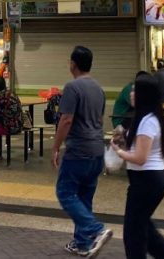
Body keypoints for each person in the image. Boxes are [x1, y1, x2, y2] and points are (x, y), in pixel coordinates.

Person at [112, 74, 164, 259]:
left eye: (135, 91)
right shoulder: (144, 118)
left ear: (144, 95)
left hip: (147, 181)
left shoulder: (147, 121)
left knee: (134, 232)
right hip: (146, 181)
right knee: (141, 225)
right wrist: (124, 139)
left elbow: (140, 158)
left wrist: (119, 153)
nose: (131, 93)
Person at [52, 46, 113, 257]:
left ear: (73, 64)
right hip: (97, 150)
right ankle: (82, 243)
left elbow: (66, 120)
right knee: (85, 197)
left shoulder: (72, 87)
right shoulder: (98, 88)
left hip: (79, 150)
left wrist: (55, 147)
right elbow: (99, 120)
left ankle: (96, 230)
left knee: (65, 193)